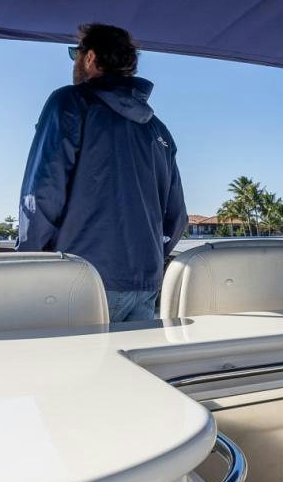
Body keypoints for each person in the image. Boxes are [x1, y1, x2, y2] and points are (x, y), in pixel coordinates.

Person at [16, 23, 187, 321]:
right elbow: (177, 217)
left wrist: (27, 261)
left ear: (90, 57)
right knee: (130, 368)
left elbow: (42, 192)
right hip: (144, 284)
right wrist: (150, 263)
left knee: (72, 367)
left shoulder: (70, 103)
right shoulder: (158, 130)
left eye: (75, 53)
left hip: (82, 280)